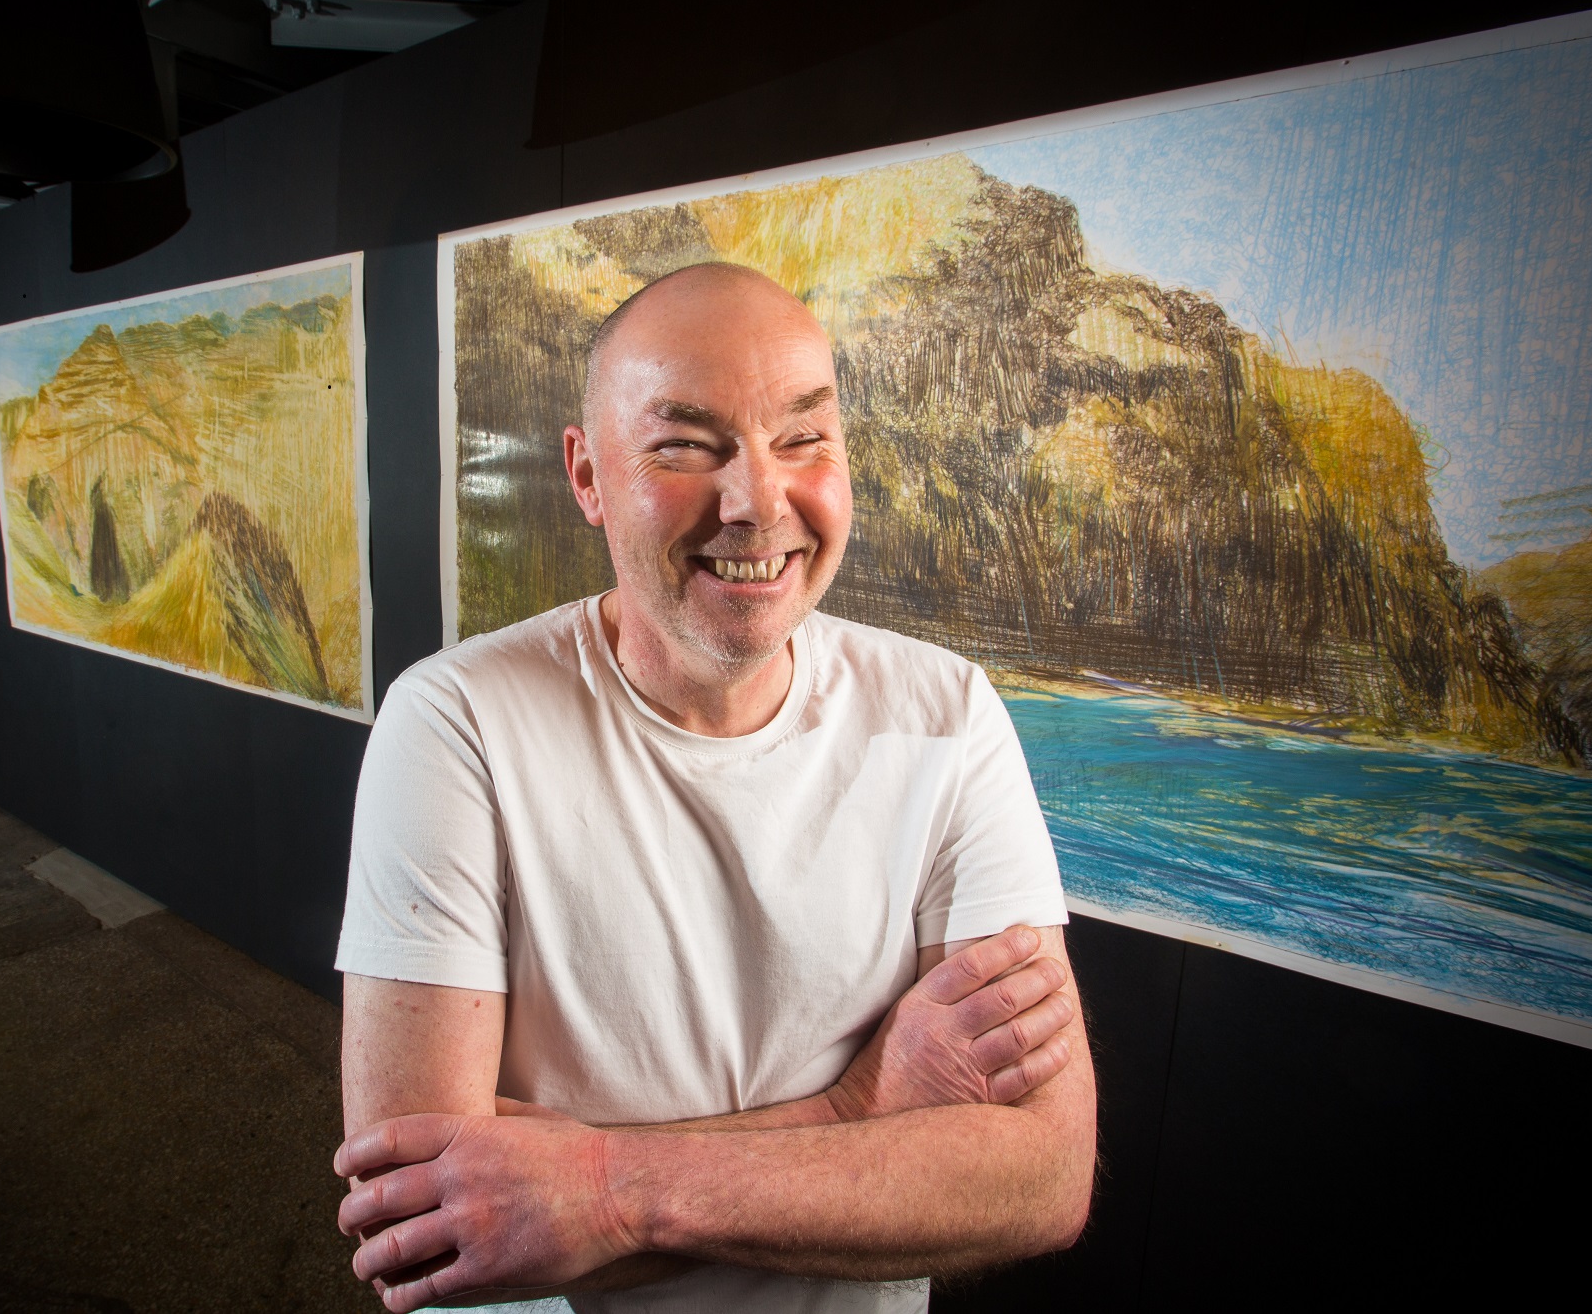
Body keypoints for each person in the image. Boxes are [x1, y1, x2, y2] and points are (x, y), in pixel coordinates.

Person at [333, 262, 1095, 1313]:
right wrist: (850, 1116)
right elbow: (421, 1226)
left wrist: (602, 1191)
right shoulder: (455, 722)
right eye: (685, 446)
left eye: (800, 439)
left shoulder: (946, 713)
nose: (755, 502)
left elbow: (1037, 1178)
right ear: (587, 474)